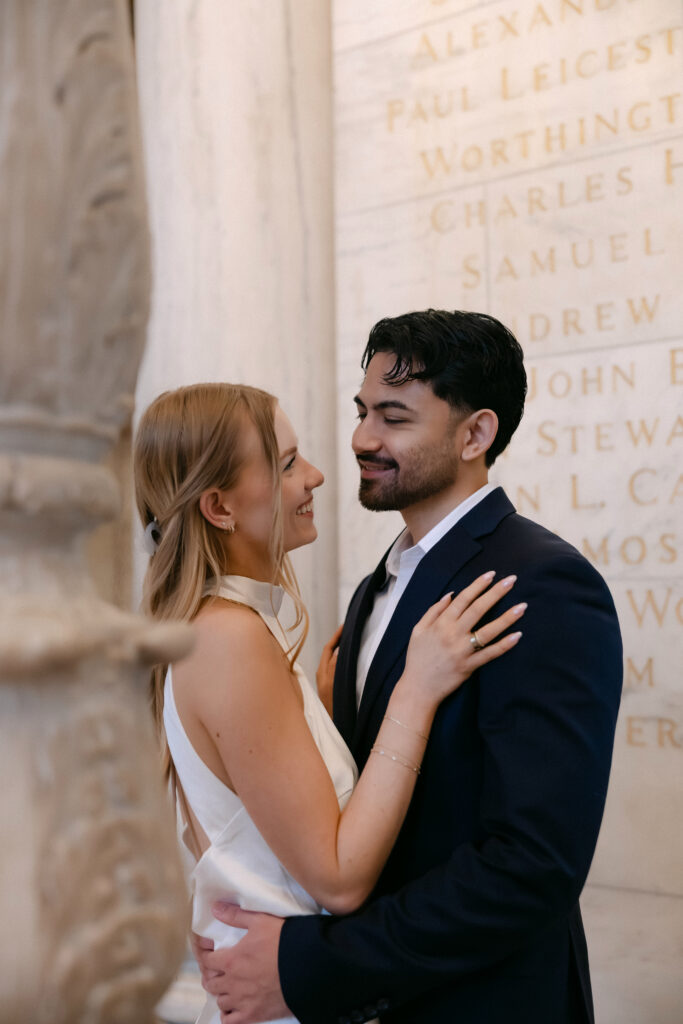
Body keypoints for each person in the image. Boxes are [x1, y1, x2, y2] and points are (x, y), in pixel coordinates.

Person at [195, 310, 623, 1024]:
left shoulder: (541, 585)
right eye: (362, 412)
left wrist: (312, 965)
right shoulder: (375, 586)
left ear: (474, 434)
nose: (362, 438)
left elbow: (530, 868)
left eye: (393, 417)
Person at [133, 381, 524, 1024]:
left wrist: (322, 723)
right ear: (220, 507)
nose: (315, 475)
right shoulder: (229, 636)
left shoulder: (213, 628)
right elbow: (339, 881)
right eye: (286, 464)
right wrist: (415, 690)